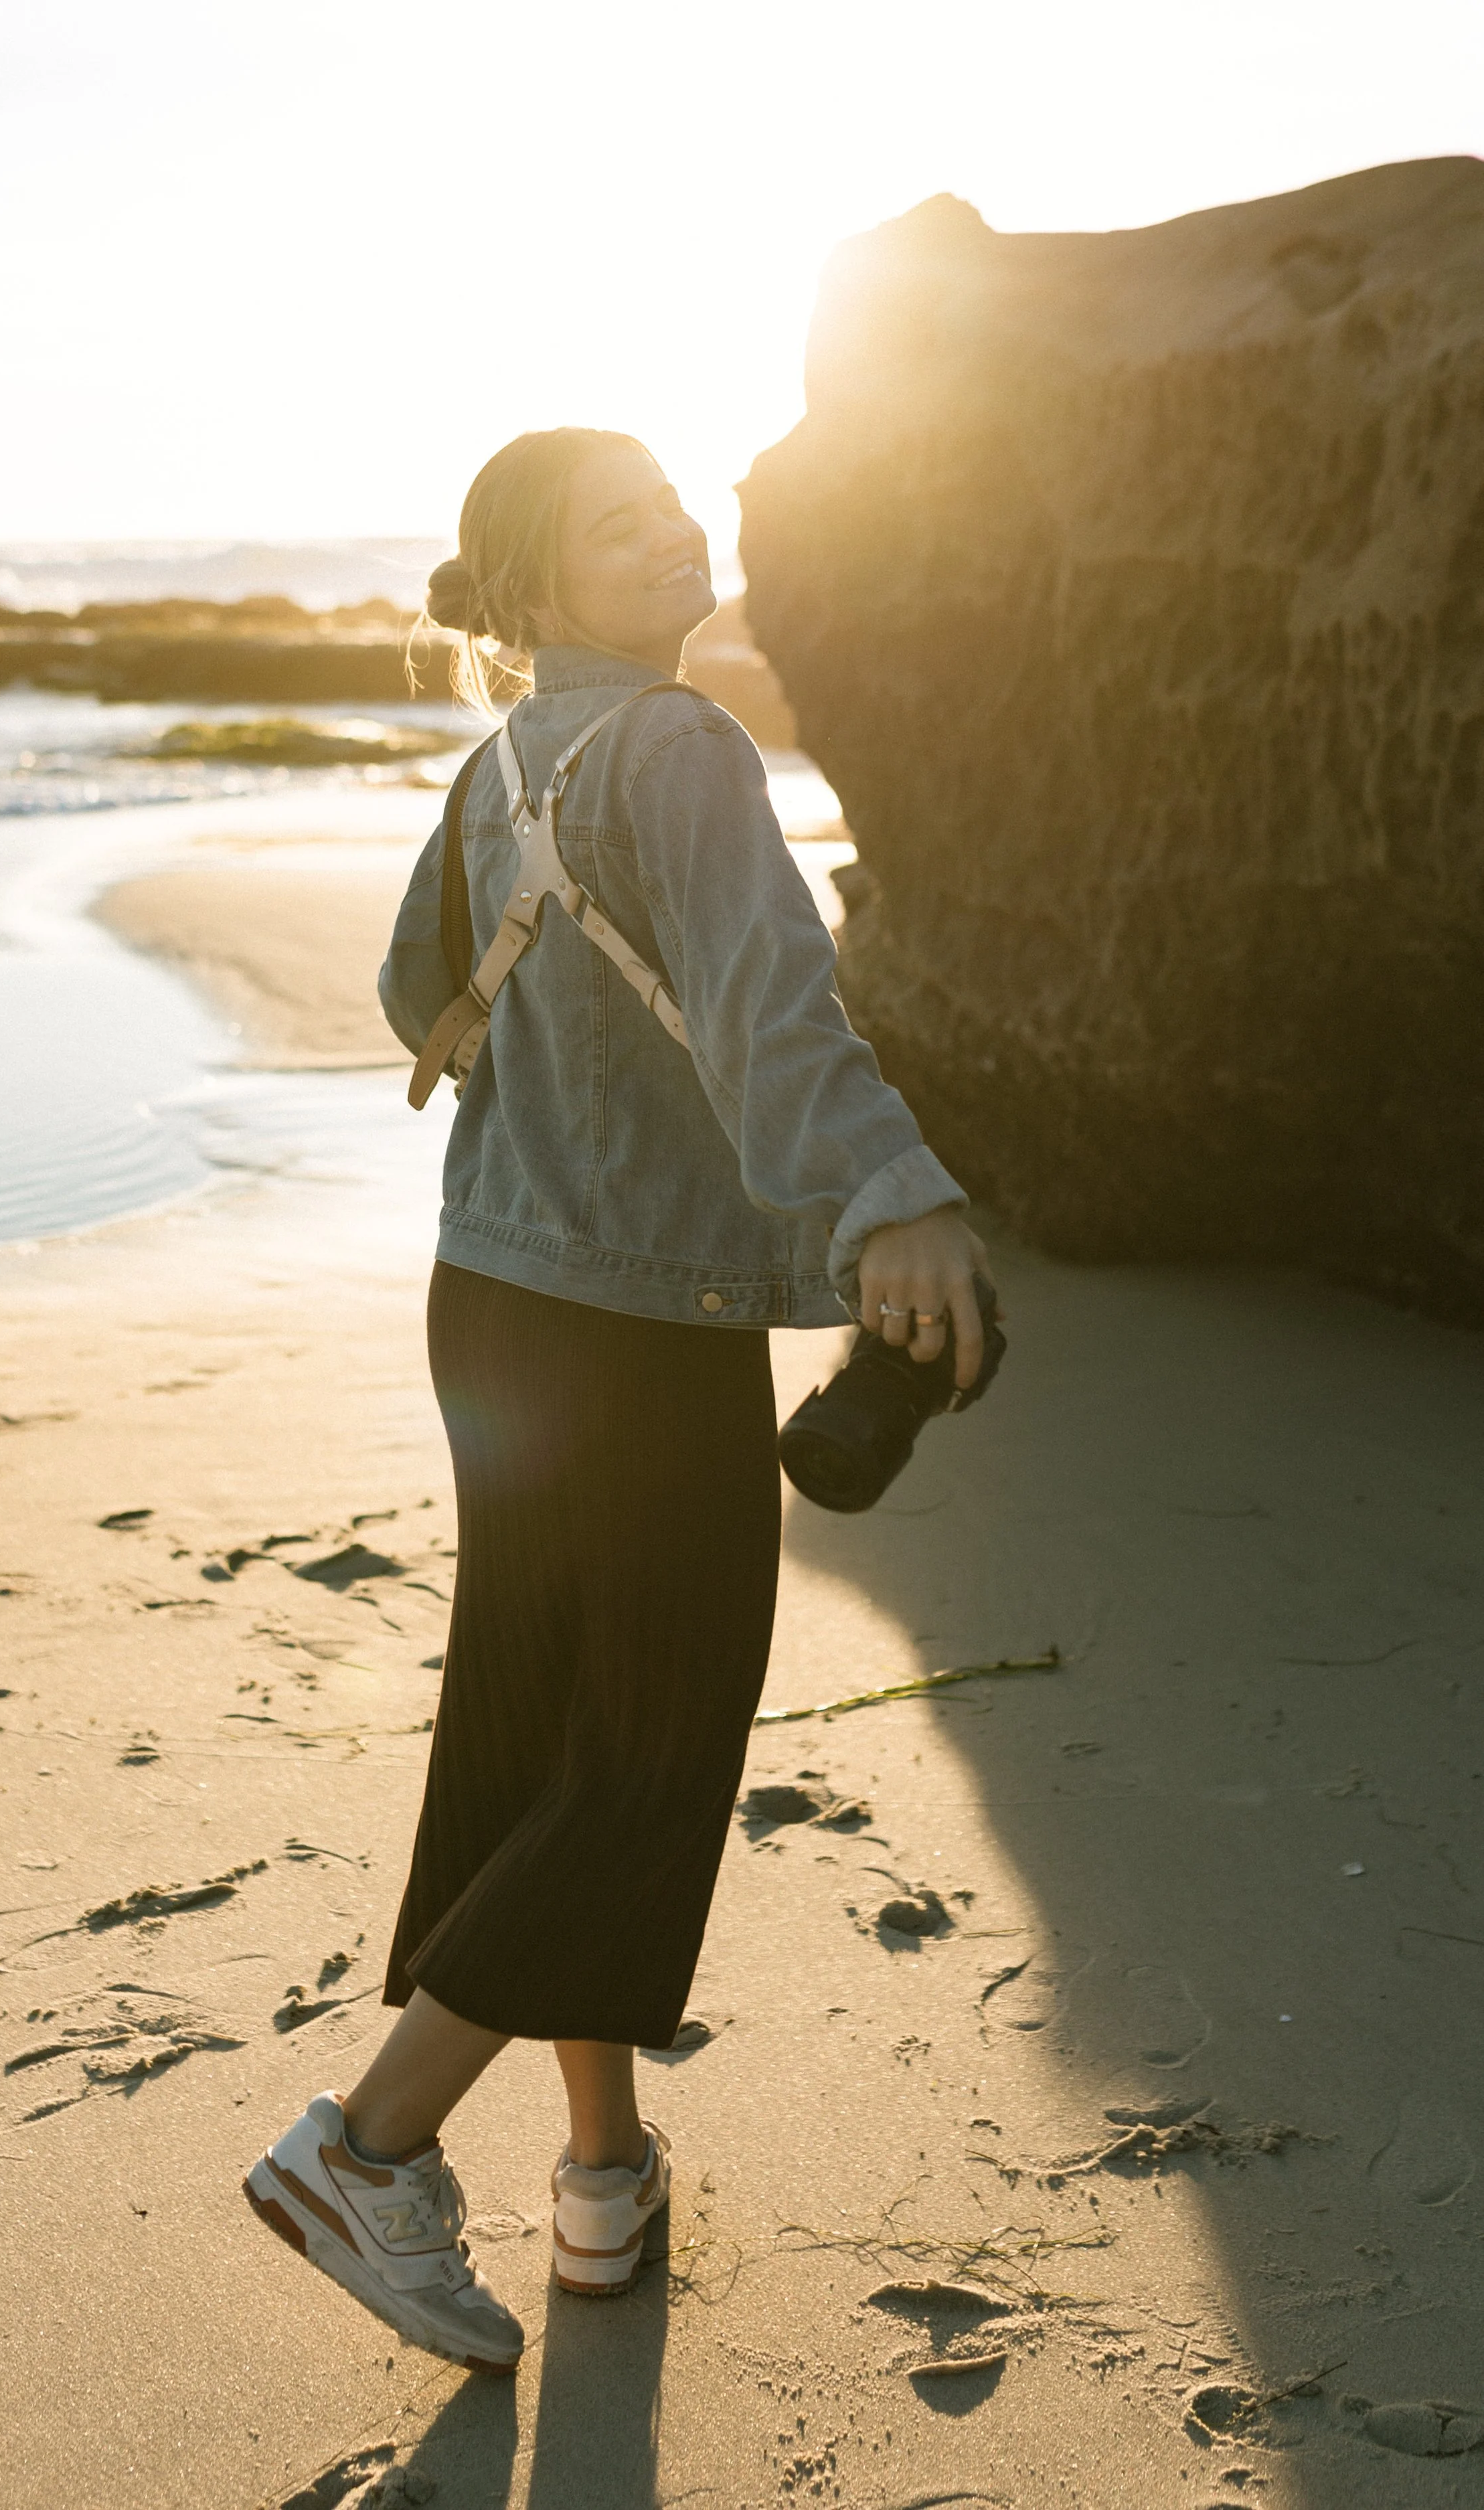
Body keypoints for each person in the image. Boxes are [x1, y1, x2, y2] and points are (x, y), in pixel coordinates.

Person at [243, 427, 992, 2375]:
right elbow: (769, 999)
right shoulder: (678, 749)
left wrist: (560, 1103)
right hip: (637, 1331)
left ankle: (599, 2166)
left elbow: (422, 993)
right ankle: (367, 2143)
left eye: (667, 499)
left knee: (550, 1728)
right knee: (645, 1759)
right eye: (613, 524)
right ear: (533, 590)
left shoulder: (499, 763)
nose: (667, 531)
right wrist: (888, 1193)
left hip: (490, 1304)